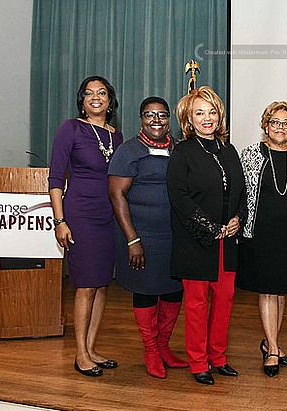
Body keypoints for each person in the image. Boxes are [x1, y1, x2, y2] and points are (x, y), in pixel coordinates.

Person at [167, 86, 246, 385]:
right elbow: (179, 197)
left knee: (225, 299)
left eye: (212, 111)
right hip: (195, 241)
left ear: (219, 115)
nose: (207, 118)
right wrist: (209, 227)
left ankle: (218, 357)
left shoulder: (229, 150)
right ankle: (198, 362)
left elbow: (241, 191)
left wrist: (238, 218)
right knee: (197, 303)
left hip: (227, 241)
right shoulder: (183, 152)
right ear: (189, 119)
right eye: (199, 113)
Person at [48, 76, 123, 377]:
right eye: (89, 93)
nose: (96, 97)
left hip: (109, 216)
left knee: (102, 284)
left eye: (102, 93)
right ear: (82, 100)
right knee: (86, 284)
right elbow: (56, 178)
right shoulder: (71, 128)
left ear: (110, 100)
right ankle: (80, 354)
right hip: (80, 214)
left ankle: (91, 348)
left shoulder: (117, 136)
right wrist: (60, 220)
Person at [238, 101, 287, 377]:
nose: (280, 127)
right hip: (261, 232)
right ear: (266, 125)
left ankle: (271, 342)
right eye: (275, 122)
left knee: (281, 291)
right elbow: (240, 191)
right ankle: (272, 348)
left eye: (286, 123)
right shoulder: (251, 154)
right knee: (267, 291)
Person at [108, 97, 188, 379]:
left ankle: (164, 346)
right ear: (141, 118)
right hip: (141, 235)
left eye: (162, 115)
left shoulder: (178, 148)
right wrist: (132, 239)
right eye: (149, 114)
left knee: (173, 289)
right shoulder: (129, 151)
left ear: (169, 119)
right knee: (146, 290)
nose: (156, 120)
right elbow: (116, 195)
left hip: (174, 235)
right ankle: (151, 350)